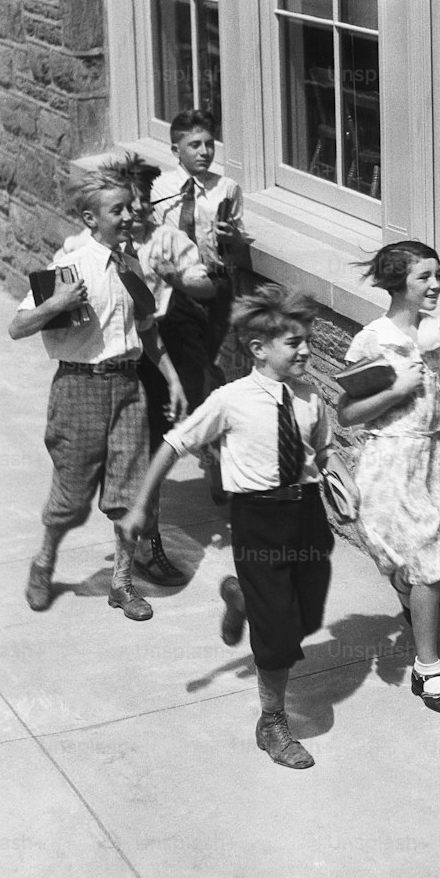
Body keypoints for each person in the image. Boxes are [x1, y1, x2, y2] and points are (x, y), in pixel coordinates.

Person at [121, 284, 334, 769]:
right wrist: (139, 507)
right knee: (279, 631)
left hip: (307, 513)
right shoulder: (230, 400)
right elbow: (174, 444)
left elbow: (322, 451)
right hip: (257, 519)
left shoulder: (310, 397)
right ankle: (273, 722)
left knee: (304, 616)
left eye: (307, 341)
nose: (305, 350)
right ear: (258, 349)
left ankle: (241, 597)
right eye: (293, 343)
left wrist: (340, 475)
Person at [10, 175, 188, 621]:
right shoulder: (69, 265)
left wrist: (172, 379)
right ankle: (46, 560)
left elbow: (147, 331)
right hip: (79, 388)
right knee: (70, 498)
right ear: (91, 219)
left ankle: (122, 583)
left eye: (130, 207)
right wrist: (56, 304)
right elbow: (18, 327)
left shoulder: (131, 264)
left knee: (129, 493)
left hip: (128, 388)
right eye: (118, 210)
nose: (129, 216)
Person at [336, 241, 440, 716]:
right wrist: (398, 389)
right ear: (397, 282)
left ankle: (411, 602)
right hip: (394, 460)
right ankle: (429, 671)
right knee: (430, 566)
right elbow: (347, 414)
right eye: (425, 277)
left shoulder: (435, 333)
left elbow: (434, 391)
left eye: (439, 275)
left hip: (436, 456)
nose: (436, 285)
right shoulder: (373, 340)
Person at [58, 154, 216, 586]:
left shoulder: (165, 239)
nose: (135, 212)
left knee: (149, 451)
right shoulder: (79, 249)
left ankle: (149, 547)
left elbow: (206, 286)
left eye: (140, 201)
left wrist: (175, 277)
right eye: (125, 205)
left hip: (157, 346)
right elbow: (51, 309)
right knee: (95, 471)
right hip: (111, 360)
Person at [151, 108, 249, 502]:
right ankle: (207, 451)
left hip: (216, 288)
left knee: (211, 364)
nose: (204, 152)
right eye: (195, 145)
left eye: (210, 144)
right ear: (177, 150)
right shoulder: (161, 188)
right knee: (199, 374)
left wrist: (232, 236)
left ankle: (208, 445)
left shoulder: (227, 188)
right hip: (176, 290)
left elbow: (236, 245)